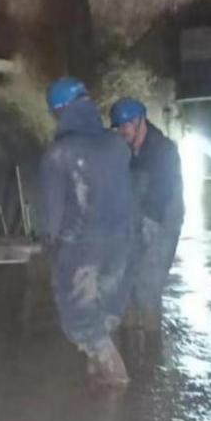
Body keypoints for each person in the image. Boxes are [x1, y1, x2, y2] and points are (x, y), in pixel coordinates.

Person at [39, 77, 135, 386]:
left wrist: (48, 242)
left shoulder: (59, 153)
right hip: (120, 242)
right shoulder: (118, 145)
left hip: (81, 246)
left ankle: (115, 375)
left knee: (78, 312)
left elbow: (52, 213)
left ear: (60, 111)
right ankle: (99, 380)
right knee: (105, 308)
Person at [109, 97, 184, 332]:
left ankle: (152, 349)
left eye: (126, 125)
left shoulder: (164, 150)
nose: (122, 131)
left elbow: (160, 197)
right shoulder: (125, 150)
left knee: (147, 290)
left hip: (162, 222)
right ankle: (130, 349)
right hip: (135, 218)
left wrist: (142, 234)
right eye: (119, 126)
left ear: (141, 121)